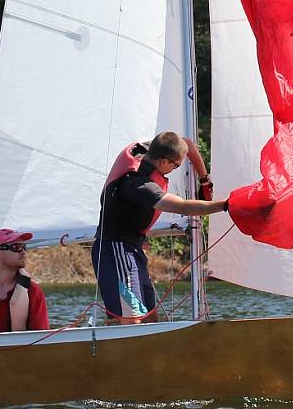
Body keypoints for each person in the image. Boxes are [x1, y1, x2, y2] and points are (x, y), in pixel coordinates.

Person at [92, 131, 228, 323]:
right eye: (176, 166)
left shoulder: (151, 149)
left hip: (133, 249)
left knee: (150, 318)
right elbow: (181, 206)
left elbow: (187, 144)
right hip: (115, 250)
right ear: (164, 162)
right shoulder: (138, 184)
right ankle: (106, 347)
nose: (176, 168)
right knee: (132, 319)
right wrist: (226, 205)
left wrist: (204, 179)